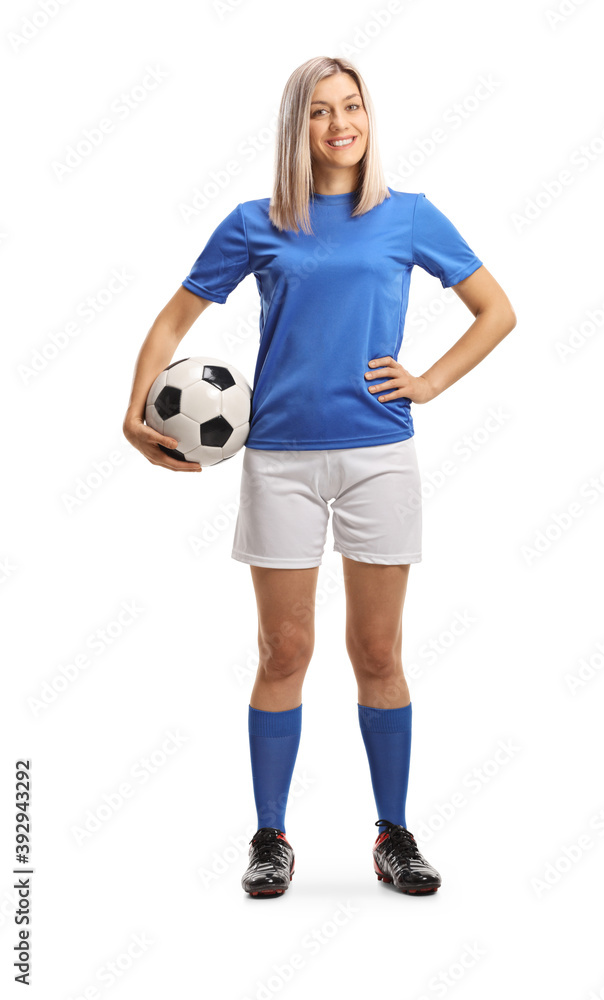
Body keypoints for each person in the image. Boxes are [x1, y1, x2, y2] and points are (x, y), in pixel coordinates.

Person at [123, 55, 517, 899]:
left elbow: (497, 310)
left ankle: (394, 834)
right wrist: (135, 412)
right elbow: (174, 317)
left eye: (351, 106)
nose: (339, 123)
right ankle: (270, 837)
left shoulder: (407, 216)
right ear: (294, 126)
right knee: (283, 649)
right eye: (318, 111)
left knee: (378, 650)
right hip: (279, 458)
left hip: (378, 453)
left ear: (368, 118)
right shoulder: (255, 221)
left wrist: (428, 381)